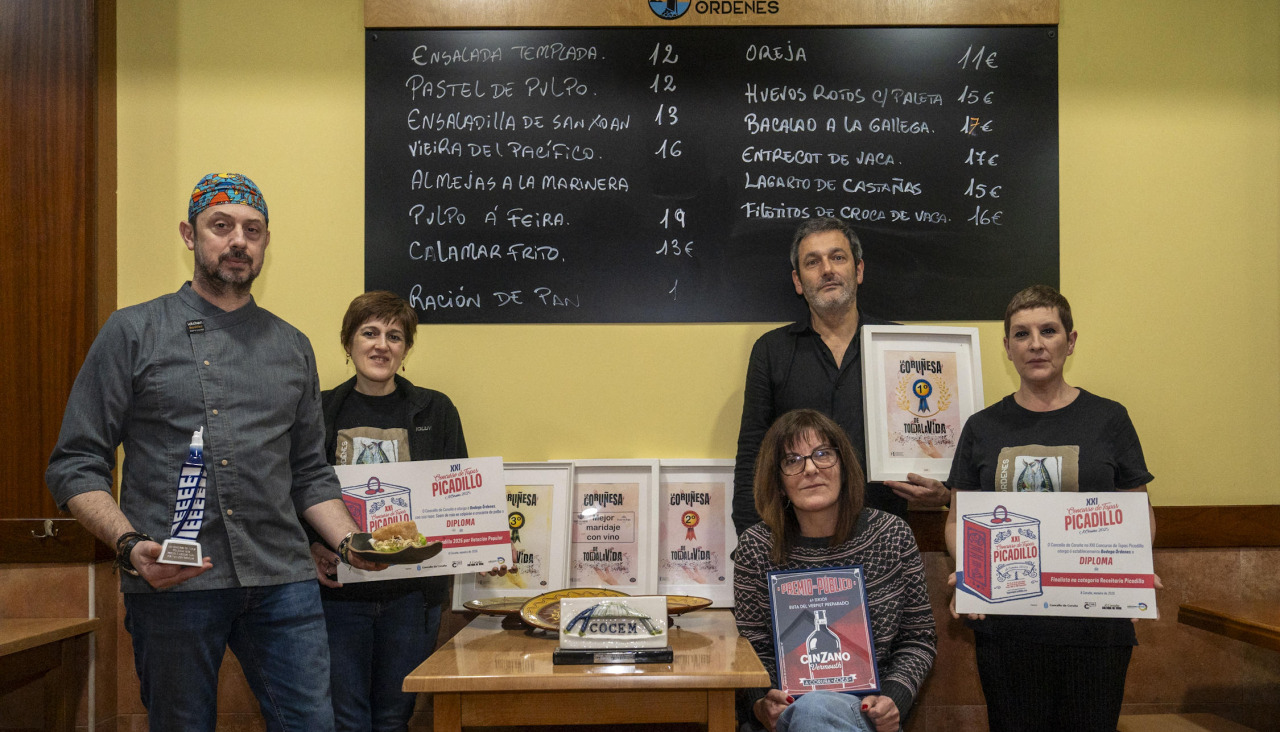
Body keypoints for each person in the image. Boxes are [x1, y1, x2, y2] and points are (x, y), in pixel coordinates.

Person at [45, 173, 382, 732]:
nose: (238, 241)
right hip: (174, 582)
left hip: (282, 581)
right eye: (220, 226)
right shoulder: (132, 331)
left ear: (266, 242)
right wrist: (129, 546)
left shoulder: (292, 345)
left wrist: (349, 541)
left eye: (252, 229)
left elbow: (309, 474)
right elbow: (75, 462)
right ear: (190, 234)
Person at [915, 285, 1156, 732]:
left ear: (1071, 340)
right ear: (1007, 348)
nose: (1036, 344)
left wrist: (1135, 568)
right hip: (1008, 627)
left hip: (1096, 628)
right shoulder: (982, 427)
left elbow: (1137, 512)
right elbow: (956, 519)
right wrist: (969, 570)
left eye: (1048, 330)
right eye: (1022, 334)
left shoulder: (1110, 418)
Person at [306, 291, 467, 732]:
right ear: (348, 342)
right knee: (346, 718)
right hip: (338, 593)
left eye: (395, 336)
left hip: (411, 599)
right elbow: (293, 489)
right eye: (369, 333)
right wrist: (309, 548)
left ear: (407, 348)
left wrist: (482, 543)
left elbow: (460, 496)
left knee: (396, 718)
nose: (382, 345)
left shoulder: (437, 410)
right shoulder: (316, 410)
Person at [733, 217, 948, 536]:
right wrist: (750, 538)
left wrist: (944, 490)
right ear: (798, 280)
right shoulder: (771, 351)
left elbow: (934, 432)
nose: (827, 269)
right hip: (795, 539)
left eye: (837, 257)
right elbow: (754, 452)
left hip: (884, 535)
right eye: (812, 261)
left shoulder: (903, 350)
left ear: (858, 270)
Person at [733, 409, 936, 732]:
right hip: (786, 715)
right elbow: (751, 647)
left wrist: (895, 699)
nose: (810, 468)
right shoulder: (756, 547)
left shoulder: (891, 535)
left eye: (822, 454)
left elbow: (918, 638)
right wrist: (761, 702)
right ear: (779, 482)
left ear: (844, 466)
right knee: (811, 708)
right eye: (792, 460)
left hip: (866, 714)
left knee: (816, 708)